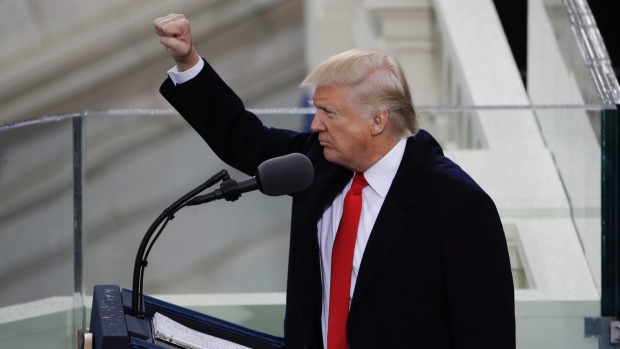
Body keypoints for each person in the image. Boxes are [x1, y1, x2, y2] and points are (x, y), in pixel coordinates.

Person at [154, 13, 515, 349]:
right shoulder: (317, 162)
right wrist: (188, 64)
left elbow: (486, 335)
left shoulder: (459, 206)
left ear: (377, 121)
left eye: (329, 112)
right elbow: (244, 138)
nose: (314, 125)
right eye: (315, 109)